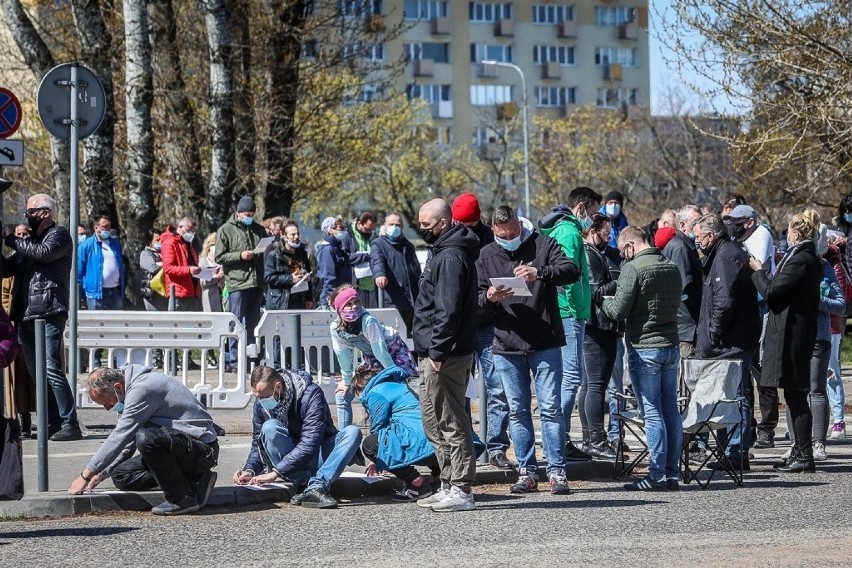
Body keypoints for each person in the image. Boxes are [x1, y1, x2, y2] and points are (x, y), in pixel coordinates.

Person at [478, 206, 579, 495]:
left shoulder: (543, 244)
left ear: (519, 226)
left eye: (512, 233)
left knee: (550, 408)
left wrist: (540, 272)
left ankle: (557, 471)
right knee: (518, 410)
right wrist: (489, 296)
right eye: (502, 236)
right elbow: (474, 297)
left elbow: (572, 270)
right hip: (507, 343)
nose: (508, 238)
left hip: (544, 341)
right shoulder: (487, 255)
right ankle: (527, 471)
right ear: (494, 232)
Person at [67, 365, 219, 515]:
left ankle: (182, 498)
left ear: (118, 387)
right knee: (120, 475)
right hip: (177, 446)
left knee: (147, 439)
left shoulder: (143, 388)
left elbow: (120, 436)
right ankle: (195, 480)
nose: (107, 408)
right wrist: (101, 473)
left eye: (108, 402)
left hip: (202, 449)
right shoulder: (129, 390)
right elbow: (127, 442)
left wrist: (85, 475)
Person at [602, 226, 682, 491]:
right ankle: (672, 473)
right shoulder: (670, 266)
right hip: (670, 345)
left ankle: (656, 474)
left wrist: (603, 300)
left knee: (652, 412)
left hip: (644, 345)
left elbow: (618, 310)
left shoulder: (633, 268)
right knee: (671, 409)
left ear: (630, 246)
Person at [411, 198, 479, 512]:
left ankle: (462, 488)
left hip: (446, 354)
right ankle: (448, 482)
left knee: (452, 420)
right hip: (433, 352)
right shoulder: (442, 251)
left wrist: (437, 351)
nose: (422, 230)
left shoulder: (451, 256)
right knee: (434, 420)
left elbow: (448, 310)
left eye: (426, 225)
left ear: (443, 223)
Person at [750, 209, 823, 473]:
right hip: (795, 332)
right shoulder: (802, 257)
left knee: (795, 393)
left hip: (795, 334)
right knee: (793, 394)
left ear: (796, 232)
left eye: (789, 231)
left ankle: (804, 453)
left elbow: (772, 292)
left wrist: (759, 271)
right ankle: (800, 451)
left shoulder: (802, 259)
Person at [4, 194, 81, 441]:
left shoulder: (58, 236)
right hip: (26, 313)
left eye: (31, 211)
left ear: (45, 213)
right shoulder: (32, 242)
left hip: (49, 310)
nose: (27, 216)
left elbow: (43, 253)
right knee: (38, 372)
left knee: (51, 368)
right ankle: (52, 422)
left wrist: (10, 239)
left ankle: (70, 423)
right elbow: (8, 268)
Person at [233, 366, 362, 509]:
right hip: (291, 464)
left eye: (263, 396)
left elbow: (310, 443)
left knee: (353, 432)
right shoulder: (260, 404)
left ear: (278, 386)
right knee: (269, 427)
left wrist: (276, 472)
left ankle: (317, 487)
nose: (260, 401)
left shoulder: (310, 394)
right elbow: (258, 442)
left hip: (317, 454)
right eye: (256, 396)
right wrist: (249, 470)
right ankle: (302, 482)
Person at [692, 213, 761, 470]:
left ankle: (735, 452)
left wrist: (713, 336)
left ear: (711, 236)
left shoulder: (725, 257)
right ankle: (731, 451)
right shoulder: (726, 253)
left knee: (733, 396)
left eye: (699, 237)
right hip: (735, 338)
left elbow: (724, 303)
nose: (697, 241)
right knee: (732, 394)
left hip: (731, 341)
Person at [538, 187, 599, 461]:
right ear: (582, 208)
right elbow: (568, 275)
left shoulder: (560, 229)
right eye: (594, 212)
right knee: (571, 378)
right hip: (569, 312)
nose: (593, 219)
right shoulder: (570, 232)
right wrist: (576, 310)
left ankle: (558, 438)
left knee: (567, 378)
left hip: (568, 311)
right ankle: (558, 438)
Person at [451, 192, 511, 470]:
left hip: (488, 321)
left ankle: (497, 447)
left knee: (497, 386)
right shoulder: (447, 238)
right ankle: (466, 444)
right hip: (460, 324)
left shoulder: (492, 238)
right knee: (459, 388)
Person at [724, 204, 779, 449]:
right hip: (745, 310)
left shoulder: (761, 235)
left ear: (749, 221)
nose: (733, 226)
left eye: (737, 221)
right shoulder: (738, 239)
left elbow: (750, 267)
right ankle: (750, 428)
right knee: (745, 372)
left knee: (762, 369)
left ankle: (767, 428)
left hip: (761, 308)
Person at [329, 285, 418, 429]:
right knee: (342, 395)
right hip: (372, 357)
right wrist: (346, 381)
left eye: (356, 302)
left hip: (393, 352)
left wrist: (393, 374)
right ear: (339, 308)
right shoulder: (336, 329)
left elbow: (380, 350)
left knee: (402, 386)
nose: (353, 307)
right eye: (348, 304)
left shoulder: (367, 321)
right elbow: (343, 355)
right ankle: (344, 439)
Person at [350, 364, 440, 502]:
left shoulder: (375, 392)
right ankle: (440, 480)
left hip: (421, 442)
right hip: (440, 444)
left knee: (370, 445)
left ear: (360, 389)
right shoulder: (399, 385)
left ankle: (417, 483)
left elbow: (380, 430)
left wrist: (379, 459)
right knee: (420, 434)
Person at [581, 214, 623, 459]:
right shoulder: (589, 254)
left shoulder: (603, 253)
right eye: (605, 233)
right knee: (595, 385)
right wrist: (621, 280)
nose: (608, 238)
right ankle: (596, 438)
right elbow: (596, 291)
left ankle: (591, 438)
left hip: (604, 325)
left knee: (592, 385)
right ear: (592, 231)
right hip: (597, 325)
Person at [215, 196, 267, 360]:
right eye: (246, 214)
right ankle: (233, 358)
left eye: (252, 214)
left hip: (256, 281)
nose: (249, 217)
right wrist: (240, 255)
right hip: (237, 283)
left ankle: (251, 356)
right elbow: (219, 257)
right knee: (235, 322)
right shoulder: (225, 230)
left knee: (253, 323)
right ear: (238, 213)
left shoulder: (259, 229)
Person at [370, 213, 421, 336]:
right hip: (392, 301)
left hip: (411, 301)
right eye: (391, 224)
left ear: (402, 226)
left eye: (398, 224)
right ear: (385, 226)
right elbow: (377, 261)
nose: (394, 227)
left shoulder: (408, 245)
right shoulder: (378, 244)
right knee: (393, 337)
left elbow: (415, 269)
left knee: (410, 338)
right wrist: (380, 274)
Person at [662, 205, 703, 360]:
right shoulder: (680, 248)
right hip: (686, 326)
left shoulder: (685, 246)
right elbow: (685, 289)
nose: (699, 226)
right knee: (686, 377)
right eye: (696, 222)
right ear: (682, 225)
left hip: (685, 325)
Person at [825, 234, 849, 439]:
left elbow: (841, 299)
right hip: (811, 328)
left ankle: (838, 420)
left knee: (831, 373)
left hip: (831, 328)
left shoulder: (834, 266)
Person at [78, 214, 125, 311]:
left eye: (109, 226)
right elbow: (79, 269)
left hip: (115, 290)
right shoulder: (87, 245)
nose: (107, 229)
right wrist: (85, 287)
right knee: (96, 323)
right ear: (96, 227)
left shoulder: (115, 243)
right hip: (96, 293)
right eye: (104, 227)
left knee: (117, 323)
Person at [265, 218, 312, 311]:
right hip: (280, 302)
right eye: (293, 234)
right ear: (283, 235)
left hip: (299, 300)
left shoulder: (302, 253)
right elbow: (268, 277)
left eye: (297, 234)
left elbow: (308, 273)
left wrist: (309, 298)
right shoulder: (273, 254)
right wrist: (290, 279)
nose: (296, 237)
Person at [160, 217, 202, 311]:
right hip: (179, 294)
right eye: (188, 230)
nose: (191, 233)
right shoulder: (169, 242)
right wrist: (189, 270)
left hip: (193, 293)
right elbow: (168, 268)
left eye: (193, 231)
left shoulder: (188, 244)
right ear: (180, 226)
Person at [342, 211, 378, 308]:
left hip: (371, 283)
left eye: (372, 229)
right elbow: (345, 257)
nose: (369, 232)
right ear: (359, 223)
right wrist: (366, 256)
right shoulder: (347, 235)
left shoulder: (373, 236)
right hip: (356, 284)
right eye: (367, 229)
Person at [316, 216, 352, 307]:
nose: (344, 231)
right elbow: (328, 278)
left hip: (342, 296)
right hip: (332, 299)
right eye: (341, 228)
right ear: (330, 230)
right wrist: (331, 299)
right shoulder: (327, 250)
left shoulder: (339, 248)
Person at [139, 228, 167, 312]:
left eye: (162, 240)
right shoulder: (145, 254)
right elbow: (153, 268)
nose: (160, 242)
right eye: (157, 240)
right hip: (152, 293)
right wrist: (165, 265)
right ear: (150, 242)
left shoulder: (164, 254)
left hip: (164, 292)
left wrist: (161, 264)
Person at [199, 233, 225, 313]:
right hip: (210, 295)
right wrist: (216, 277)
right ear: (208, 246)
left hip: (223, 295)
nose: (215, 247)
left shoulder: (223, 261)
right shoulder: (203, 261)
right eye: (213, 244)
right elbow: (202, 282)